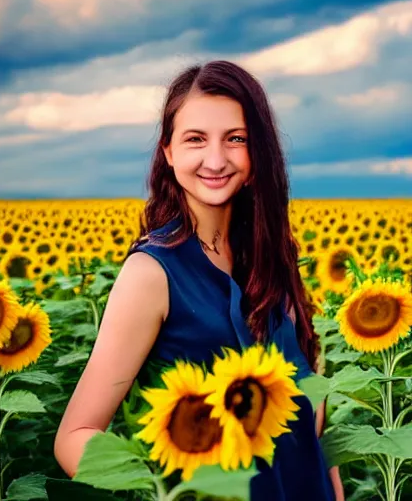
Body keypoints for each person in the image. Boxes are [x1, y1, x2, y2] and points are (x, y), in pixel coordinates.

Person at [54, 60, 344, 500]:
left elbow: (312, 434)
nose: (216, 159)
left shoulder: (270, 263)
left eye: (236, 139)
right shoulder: (153, 273)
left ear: (258, 150)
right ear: (168, 152)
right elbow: (74, 435)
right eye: (195, 139)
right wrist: (156, 485)